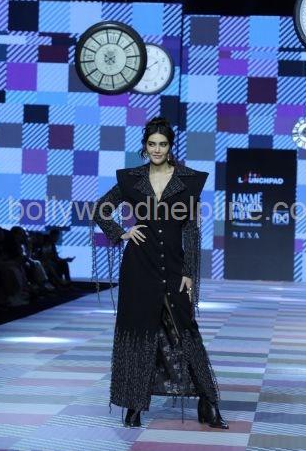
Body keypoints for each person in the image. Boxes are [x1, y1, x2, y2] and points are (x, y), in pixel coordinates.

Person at [90, 116, 228, 430]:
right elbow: (100, 209)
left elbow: (191, 229)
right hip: (139, 266)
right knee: (139, 332)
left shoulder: (188, 180)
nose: (156, 149)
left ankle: (208, 403)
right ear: (144, 146)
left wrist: (190, 272)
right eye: (152, 144)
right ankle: (134, 405)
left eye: (162, 144)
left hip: (175, 267)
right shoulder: (131, 179)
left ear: (170, 146)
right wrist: (121, 232)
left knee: (186, 331)